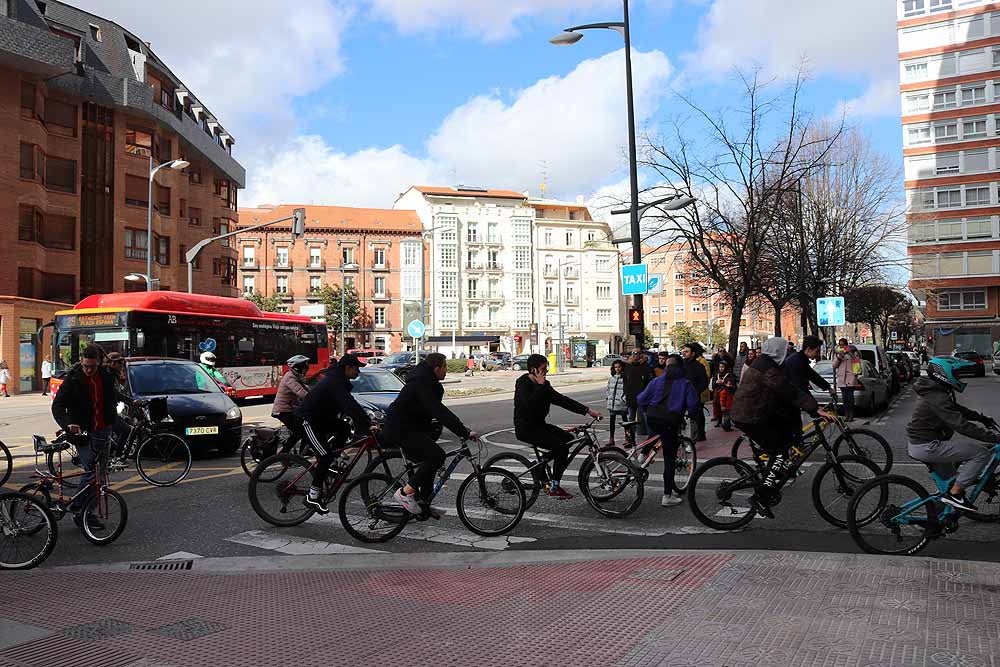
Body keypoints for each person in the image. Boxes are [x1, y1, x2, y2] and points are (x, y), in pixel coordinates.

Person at [730, 336, 834, 517]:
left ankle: (777, 470)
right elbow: (788, 390)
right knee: (778, 452)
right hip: (751, 416)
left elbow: (785, 391)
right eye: (785, 350)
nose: (787, 354)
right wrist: (815, 409)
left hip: (758, 412)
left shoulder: (766, 363)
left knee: (787, 439)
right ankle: (761, 496)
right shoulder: (767, 368)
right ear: (778, 351)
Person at [385, 353, 478, 517]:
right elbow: (439, 411)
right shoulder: (424, 382)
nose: (446, 371)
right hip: (401, 428)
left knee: (430, 461)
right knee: (436, 456)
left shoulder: (425, 380)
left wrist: (460, 428)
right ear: (437, 368)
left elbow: (432, 411)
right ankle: (405, 494)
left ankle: (423, 504)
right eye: (445, 367)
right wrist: (462, 431)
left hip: (410, 426)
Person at [906, 357, 999, 512]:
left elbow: (957, 409)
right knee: (980, 453)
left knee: (949, 482)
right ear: (944, 374)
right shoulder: (937, 396)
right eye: (956, 374)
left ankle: (937, 516)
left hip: (922, 443)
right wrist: (995, 437)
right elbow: (961, 425)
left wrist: (982, 418)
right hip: (927, 446)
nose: (959, 378)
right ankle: (955, 495)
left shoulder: (935, 391)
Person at [514, 354, 600, 499]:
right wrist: (540, 386)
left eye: (546, 367)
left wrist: (588, 411)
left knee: (567, 438)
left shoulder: (545, 385)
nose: (546, 370)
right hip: (525, 428)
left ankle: (540, 464)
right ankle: (554, 486)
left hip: (539, 425)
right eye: (543, 368)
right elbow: (529, 404)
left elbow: (562, 400)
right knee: (561, 448)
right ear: (533, 370)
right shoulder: (523, 383)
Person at [51, 344, 120, 525]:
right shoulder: (73, 379)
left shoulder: (105, 377)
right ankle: (78, 507)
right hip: (82, 434)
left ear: (98, 363)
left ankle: (87, 513)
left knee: (101, 475)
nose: (88, 370)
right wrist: (68, 424)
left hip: (103, 431)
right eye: (85, 366)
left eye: (92, 366)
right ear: (81, 363)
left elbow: (113, 399)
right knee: (92, 473)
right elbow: (57, 406)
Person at [296, 354, 373, 513]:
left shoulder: (339, 381)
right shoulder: (335, 382)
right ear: (347, 368)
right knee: (325, 456)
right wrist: (367, 424)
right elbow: (349, 406)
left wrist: (366, 422)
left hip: (321, 419)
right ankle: (313, 496)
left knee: (343, 427)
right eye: (356, 368)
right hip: (308, 421)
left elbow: (350, 405)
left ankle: (332, 464)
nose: (358, 372)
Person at [638, 355, 700, 507]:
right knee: (669, 457)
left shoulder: (656, 381)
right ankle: (667, 495)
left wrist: (648, 410)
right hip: (671, 421)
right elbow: (693, 405)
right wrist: (691, 414)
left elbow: (641, 399)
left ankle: (643, 454)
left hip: (653, 417)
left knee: (656, 432)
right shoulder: (685, 383)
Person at [271, 355, 311, 455]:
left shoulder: (296, 377)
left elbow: (308, 390)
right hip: (283, 411)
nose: (305, 371)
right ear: (297, 368)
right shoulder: (290, 378)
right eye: (304, 368)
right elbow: (301, 393)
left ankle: (303, 451)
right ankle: (283, 454)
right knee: (300, 431)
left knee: (307, 425)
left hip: (290, 410)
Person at [783, 335, 837, 408]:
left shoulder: (801, 359)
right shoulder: (796, 362)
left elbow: (813, 376)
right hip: (787, 402)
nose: (818, 354)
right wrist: (815, 408)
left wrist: (828, 388)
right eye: (817, 351)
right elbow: (801, 387)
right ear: (808, 349)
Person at [681, 343, 709, 441]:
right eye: (683, 351)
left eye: (687, 351)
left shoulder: (699, 366)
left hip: (693, 396)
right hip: (680, 395)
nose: (684, 353)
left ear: (693, 353)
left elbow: (704, 381)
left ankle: (695, 438)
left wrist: (696, 392)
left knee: (695, 417)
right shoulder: (680, 364)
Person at [621, 352, 653, 434]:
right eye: (633, 353)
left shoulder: (645, 366)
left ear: (640, 355)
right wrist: (625, 393)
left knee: (643, 416)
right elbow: (625, 381)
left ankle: (646, 434)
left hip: (641, 396)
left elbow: (648, 381)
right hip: (631, 396)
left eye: (637, 353)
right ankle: (631, 435)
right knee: (631, 417)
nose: (634, 355)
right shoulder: (628, 367)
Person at [832, 340, 862, 422]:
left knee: (850, 398)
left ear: (846, 345)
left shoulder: (853, 352)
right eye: (840, 345)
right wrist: (839, 357)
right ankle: (846, 415)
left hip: (850, 378)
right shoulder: (838, 353)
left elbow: (857, 362)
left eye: (843, 345)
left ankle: (851, 416)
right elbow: (834, 365)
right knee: (845, 398)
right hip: (842, 379)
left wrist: (850, 353)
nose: (842, 347)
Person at [605, 359, 629, 445]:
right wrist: (608, 397)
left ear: (622, 367)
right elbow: (608, 389)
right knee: (612, 422)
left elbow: (627, 390)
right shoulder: (612, 378)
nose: (617, 369)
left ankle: (627, 438)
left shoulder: (625, 378)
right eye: (616, 367)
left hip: (621, 403)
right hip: (612, 404)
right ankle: (611, 439)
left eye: (619, 367)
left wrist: (624, 399)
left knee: (625, 422)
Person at [712, 359, 738, 431]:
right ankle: (719, 421)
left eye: (722, 367)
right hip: (717, 394)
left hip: (726, 395)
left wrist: (724, 383)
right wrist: (716, 382)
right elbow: (713, 385)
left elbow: (732, 385)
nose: (721, 368)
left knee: (726, 411)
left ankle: (727, 424)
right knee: (717, 408)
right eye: (720, 367)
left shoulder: (730, 374)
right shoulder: (716, 374)